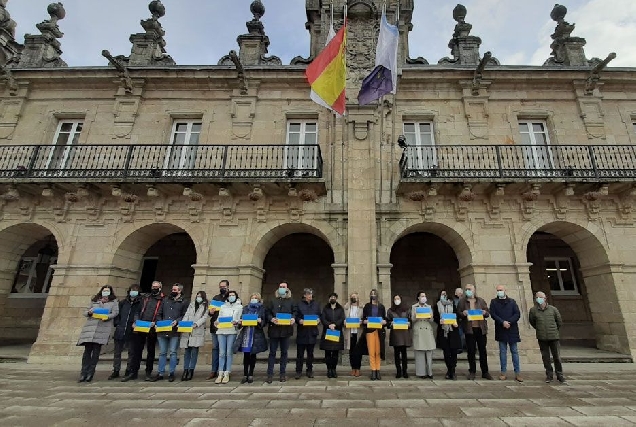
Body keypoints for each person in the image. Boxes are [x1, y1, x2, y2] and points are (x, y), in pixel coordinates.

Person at [77, 285, 119, 382]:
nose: (106, 292)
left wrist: (107, 316)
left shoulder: (113, 302)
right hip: (90, 328)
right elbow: (85, 312)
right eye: (104, 290)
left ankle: (90, 374)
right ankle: (83, 373)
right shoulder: (95, 300)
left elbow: (115, 312)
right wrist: (89, 312)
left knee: (96, 352)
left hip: (102, 328)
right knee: (87, 352)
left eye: (108, 291)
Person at [149, 283, 188, 382]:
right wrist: (159, 321)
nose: (173, 291)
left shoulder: (184, 301)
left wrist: (178, 321)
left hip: (174, 331)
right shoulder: (165, 300)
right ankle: (160, 372)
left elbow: (185, 315)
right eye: (172, 289)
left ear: (180, 291)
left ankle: (171, 372)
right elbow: (159, 313)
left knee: (173, 352)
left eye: (175, 290)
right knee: (162, 352)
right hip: (162, 330)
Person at [127, 280, 163, 381]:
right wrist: (136, 321)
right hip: (141, 326)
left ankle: (148, 372)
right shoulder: (145, 297)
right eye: (153, 286)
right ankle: (133, 372)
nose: (154, 288)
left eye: (156, 287)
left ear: (160, 288)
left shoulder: (162, 299)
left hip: (152, 328)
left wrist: (155, 322)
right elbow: (138, 311)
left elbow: (161, 313)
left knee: (150, 351)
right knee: (136, 350)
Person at [529, 291, 566, 384]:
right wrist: (540, 329)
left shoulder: (553, 309)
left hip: (553, 336)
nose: (539, 299)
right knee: (546, 357)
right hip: (542, 337)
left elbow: (559, 322)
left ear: (545, 298)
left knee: (557, 357)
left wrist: (554, 330)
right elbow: (532, 322)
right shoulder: (533, 310)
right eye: (537, 297)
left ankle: (560, 374)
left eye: (540, 297)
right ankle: (549, 375)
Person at [458, 284, 492, 380]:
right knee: (471, 351)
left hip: (481, 329)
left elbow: (487, 312)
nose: (468, 291)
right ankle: (472, 371)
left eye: (470, 289)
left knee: (482, 351)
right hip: (469, 329)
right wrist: (463, 314)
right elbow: (458, 313)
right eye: (466, 289)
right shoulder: (462, 302)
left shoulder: (480, 301)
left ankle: (485, 371)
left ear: (474, 290)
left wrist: (485, 313)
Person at [489, 285, 522, 382]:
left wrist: (509, 322)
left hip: (512, 329)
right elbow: (493, 314)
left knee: (514, 351)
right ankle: (503, 372)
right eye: (498, 290)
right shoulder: (494, 302)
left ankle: (518, 373)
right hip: (501, 329)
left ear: (505, 290)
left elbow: (517, 314)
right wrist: (502, 322)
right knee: (502, 352)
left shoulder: (512, 301)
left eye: (501, 290)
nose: (499, 291)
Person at [265, 282, 296, 383]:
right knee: (272, 352)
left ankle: (282, 374)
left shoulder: (291, 301)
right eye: (280, 287)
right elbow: (268, 312)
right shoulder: (272, 300)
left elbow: (295, 311)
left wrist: (293, 318)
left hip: (286, 330)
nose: (282, 289)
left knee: (284, 353)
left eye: (284, 287)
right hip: (274, 329)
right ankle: (270, 374)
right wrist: (271, 318)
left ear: (287, 289)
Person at [110, 284, 142, 380]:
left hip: (132, 330)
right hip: (120, 329)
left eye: (135, 291)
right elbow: (117, 314)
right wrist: (117, 324)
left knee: (131, 352)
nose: (133, 293)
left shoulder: (140, 304)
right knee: (117, 352)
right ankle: (116, 370)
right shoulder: (123, 303)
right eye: (132, 290)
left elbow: (140, 315)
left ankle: (128, 370)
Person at [236, 292, 268, 384]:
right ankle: (245, 374)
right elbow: (242, 318)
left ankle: (251, 374)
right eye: (252, 298)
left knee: (253, 354)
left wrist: (260, 321)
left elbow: (264, 321)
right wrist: (241, 321)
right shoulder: (245, 308)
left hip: (255, 333)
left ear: (259, 299)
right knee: (246, 355)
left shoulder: (262, 308)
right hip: (246, 333)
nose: (253, 299)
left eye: (255, 298)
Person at [179, 291, 209, 381]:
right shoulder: (191, 304)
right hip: (188, 330)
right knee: (187, 351)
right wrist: (183, 324)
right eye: (197, 296)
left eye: (200, 296)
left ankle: (191, 370)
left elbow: (204, 317)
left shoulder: (205, 306)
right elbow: (186, 315)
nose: (198, 298)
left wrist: (196, 324)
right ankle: (185, 370)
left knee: (194, 351)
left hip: (197, 329)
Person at [214, 290, 242, 384]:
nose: (231, 297)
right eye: (230, 295)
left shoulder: (239, 307)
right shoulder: (223, 306)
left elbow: (239, 319)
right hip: (221, 330)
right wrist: (216, 322)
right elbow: (219, 318)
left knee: (228, 352)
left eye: (233, 295)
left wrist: (237, 322)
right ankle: (220, 372)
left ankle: (227, 372)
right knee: (221, 353)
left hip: (232, 331)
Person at [294, 288, 322, 379]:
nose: (310, 295)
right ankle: (298, 371)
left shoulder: (316, 304)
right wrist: (299, 320)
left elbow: (319, 315)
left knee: (310, 354)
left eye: (311, 294)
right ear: (304, 295)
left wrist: (319, 319)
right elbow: (296, 316)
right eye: (308, 294)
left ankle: (309, 370)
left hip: (312, 332)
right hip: (302, 332)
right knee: (300, 354)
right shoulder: (299, 304)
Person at [360, 288, 387, 380]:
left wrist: (384, 321)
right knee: (371, 352)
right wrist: (365, 321)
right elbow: (363, 319)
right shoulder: (367, 306)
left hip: (379, 331)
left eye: (375, 294)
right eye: (372, 294)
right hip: (370, 331)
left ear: (377, 295)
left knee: (378, 352)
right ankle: (373, 370)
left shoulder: (381, 307)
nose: (373, 295)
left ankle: (378, 370)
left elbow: (385, 319)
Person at [434, 289, 461, 380]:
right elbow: (435, 317)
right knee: (446, 352)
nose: (443, 295)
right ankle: (449, 370)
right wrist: (439, 321)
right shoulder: (437, 305)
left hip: (453, 330)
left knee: (454, 352)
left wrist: (456, 323)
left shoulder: (452, 304)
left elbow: (457, 315)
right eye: (442, 294)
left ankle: (452, 370)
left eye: (445, 294)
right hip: (443, 331)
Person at [207, 279, 229, 380]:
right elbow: (209, 313)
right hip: (215, 327)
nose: (222, 288)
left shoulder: (231, 297)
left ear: (228, 287)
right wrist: (210, 312)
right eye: (220, 287)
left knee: (224, 349)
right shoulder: (216, 298)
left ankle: (224, 370)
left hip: (226, 327)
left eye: (223, 287)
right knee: (215, 348)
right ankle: (213, 370)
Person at [412, 291, 436, 379]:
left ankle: (430, 372)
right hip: (419, 328)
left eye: (425, 296)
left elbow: (432, 319)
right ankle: (421, 373)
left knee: (429, 352)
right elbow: (412, 319)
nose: (423, 297)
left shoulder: (429, 307)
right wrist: (416, 315)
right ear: (418, 297)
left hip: (427, 328)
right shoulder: (414, 307)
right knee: (419, 352)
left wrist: (429, 316)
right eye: (422, 296)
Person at [320, 292, 345, 378]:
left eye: (334, 297)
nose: (332, 298)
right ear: (329, 299)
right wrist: (329, 325)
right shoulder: (325, 308)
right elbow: (323, 318)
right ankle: (328, 369)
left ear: (336, 298)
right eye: (331, 297)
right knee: (327, 353)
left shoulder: (340, 308)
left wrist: (335, 325)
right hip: (327, 332)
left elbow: (342, 318)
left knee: (335, 353)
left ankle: (334, 369)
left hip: (336, 332)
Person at [387, 293, 412, 378]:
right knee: (396, 354)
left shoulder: (407, 310)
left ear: (401, 300)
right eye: (395, 299)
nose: (397, 300)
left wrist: (409, 323)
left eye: (398, 299)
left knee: (404, 354)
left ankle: (405, 371)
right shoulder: (390, 310)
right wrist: (391, 323)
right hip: (396, 335)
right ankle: (398, 371)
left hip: (404, 334)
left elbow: (410, 320)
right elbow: (387, 322)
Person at [343, 292, 362, 377]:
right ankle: (353, 368)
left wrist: (361, 321)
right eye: (352, 297)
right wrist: (344, 321)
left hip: (358, 332)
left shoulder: (362, 307)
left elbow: (364, 317)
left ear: (358, 298)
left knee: (358, 351)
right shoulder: (346, 307)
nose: (354, 298)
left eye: (355, 296)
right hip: (350, 332)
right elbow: (343, 318)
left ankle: (358, 369)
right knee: (351, 351)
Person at [453, 287, 466, 352]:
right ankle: (460, 347)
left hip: (465, 320)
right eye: (459, 292)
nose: (460, 293)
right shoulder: (454, 301)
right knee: (460, 333)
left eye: (461, 292)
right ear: (456, 293)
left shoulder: (465, 300)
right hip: (458, 319)